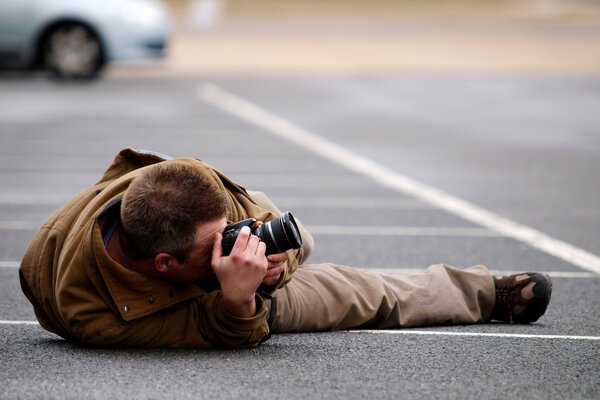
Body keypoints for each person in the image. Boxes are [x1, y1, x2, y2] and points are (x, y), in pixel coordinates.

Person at [19, 148, 552, 348]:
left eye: (229, 227)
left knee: (333, 267)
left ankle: (484, 290)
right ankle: (485, 295)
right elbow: (220, 334)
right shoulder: (99, 318)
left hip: (205, 258)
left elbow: (288, 233)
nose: (237, 242)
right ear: (165, 264)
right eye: (219, 244)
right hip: (189, 306)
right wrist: (238, 300)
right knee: (360, 297)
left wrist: (276, 267)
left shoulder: (189, 185)